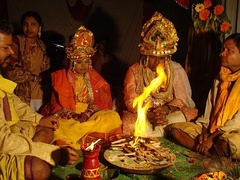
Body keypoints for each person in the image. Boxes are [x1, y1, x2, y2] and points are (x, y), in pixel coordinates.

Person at [0, 20, 78, 180]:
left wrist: (40, 119)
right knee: (40, 168)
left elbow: (14, 103)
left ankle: (31, 153)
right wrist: (51, 154)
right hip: (4, 145)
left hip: (14, 131)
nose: (12, 52)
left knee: (48, 130)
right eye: (5, 48)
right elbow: (4, 142)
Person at [41, 26, 122, 149]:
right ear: (72, 62)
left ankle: (87, 139)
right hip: (68, 117)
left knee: (112, 117)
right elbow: (55, 105)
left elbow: (100, 102)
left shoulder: (95, 79)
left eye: (86, 62)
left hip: (89, 115)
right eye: (79, 62)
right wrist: (72, 115)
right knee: (59, 127)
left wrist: (87, 114)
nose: (83, 66)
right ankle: (76, 142)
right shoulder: (60, 77)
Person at [121, 12, 198, 137]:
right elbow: (131, 102)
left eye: (161, 58)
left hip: (168, 112)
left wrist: (165, 110)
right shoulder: (134, 70)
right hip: (143, 114)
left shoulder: (176, 69)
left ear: (167, 57)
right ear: (145, 55)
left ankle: (158, 131)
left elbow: (182, 99)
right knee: (130, 124)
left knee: (187, 115)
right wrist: (150, 114)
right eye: (152, 57)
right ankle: (163, 131)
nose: (157, 62)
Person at [165, 33, 240, 160]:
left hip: (233, 132)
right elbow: (209, 109)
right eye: (223, 49)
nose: (222, 54)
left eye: (229, 51)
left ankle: (212, 150)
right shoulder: (220, 77)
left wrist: (213, 137)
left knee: (225, 143)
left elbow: (237, 122)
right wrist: (205, 132)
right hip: (213, 129)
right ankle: (209, 153)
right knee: (175, 130)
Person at [3, 11, 50, 112]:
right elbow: (10, 71)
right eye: (25, 24)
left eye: (33, 24)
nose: (29, 28)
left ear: (39, 27)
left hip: (40, 93)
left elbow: (47, 70)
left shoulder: (42, 46)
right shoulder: (16, 43)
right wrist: (33, 77)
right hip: (21, 94)